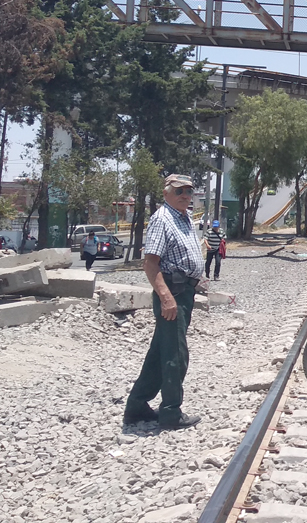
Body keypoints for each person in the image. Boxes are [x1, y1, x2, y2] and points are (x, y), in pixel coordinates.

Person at [124, 174, 206, 429]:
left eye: (189, 191)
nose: (185, 195)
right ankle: (171, 413)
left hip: (185, 291)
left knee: (160, 352)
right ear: (166, 193)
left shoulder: (184, 217)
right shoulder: (162, 219)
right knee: (175, 355)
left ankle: (136, 407)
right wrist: (166, 297)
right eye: (179, 190)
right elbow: (150, 264)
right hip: (173, 293)